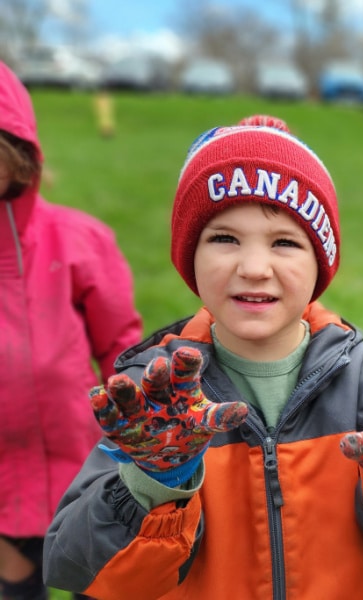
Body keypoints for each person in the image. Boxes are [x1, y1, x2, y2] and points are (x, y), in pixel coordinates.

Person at [43, 116, 363, 599]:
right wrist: (154, 482)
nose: (253, 269)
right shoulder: (154, 397)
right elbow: (78, 568)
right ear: (189, 256)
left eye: (284, 243)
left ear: (320, 263)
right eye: (224, 239)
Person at [0, 61, 143, 600]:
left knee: (97, 582)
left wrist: (137, 431)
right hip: (4, 479)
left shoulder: (78, 241)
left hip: (83, 463)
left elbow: (119, 345)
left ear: (17, 159)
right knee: (19, 587)